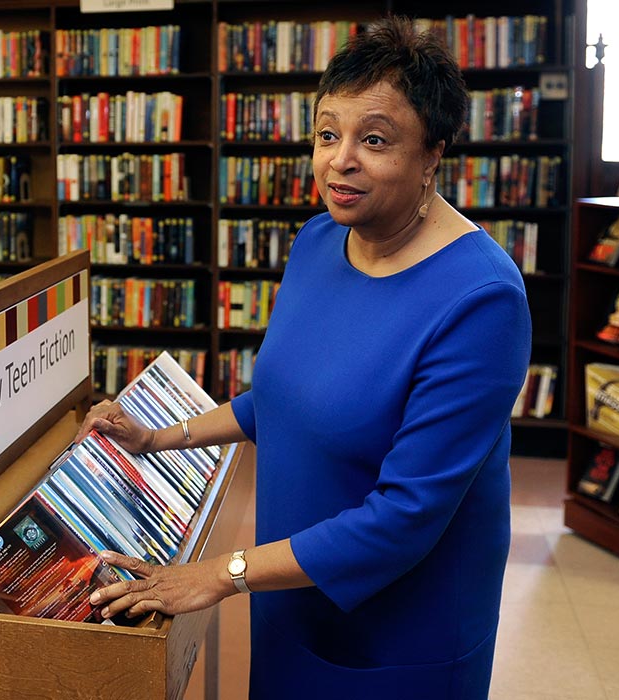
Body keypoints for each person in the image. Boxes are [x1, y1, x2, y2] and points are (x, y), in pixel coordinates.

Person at [74, 15, 532, 699]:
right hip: (289, 583)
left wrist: (217, 574)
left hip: (400, 628)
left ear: (433, 152)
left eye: (373, 140)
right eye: (327, 134)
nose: (339, 160)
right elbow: (287, 399)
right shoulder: (320, 240)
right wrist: (156, 438)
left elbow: (403, 518)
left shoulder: (481, 300)